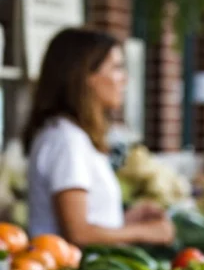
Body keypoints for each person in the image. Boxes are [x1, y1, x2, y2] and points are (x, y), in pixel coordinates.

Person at [26, 26, 174, 247]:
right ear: (86, 76)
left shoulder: (72, 135)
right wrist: (146, 232)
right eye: (116, 68)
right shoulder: (66, 141)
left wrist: (124, 221)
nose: (124, 79)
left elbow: (85, 221)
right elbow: (78, 234)